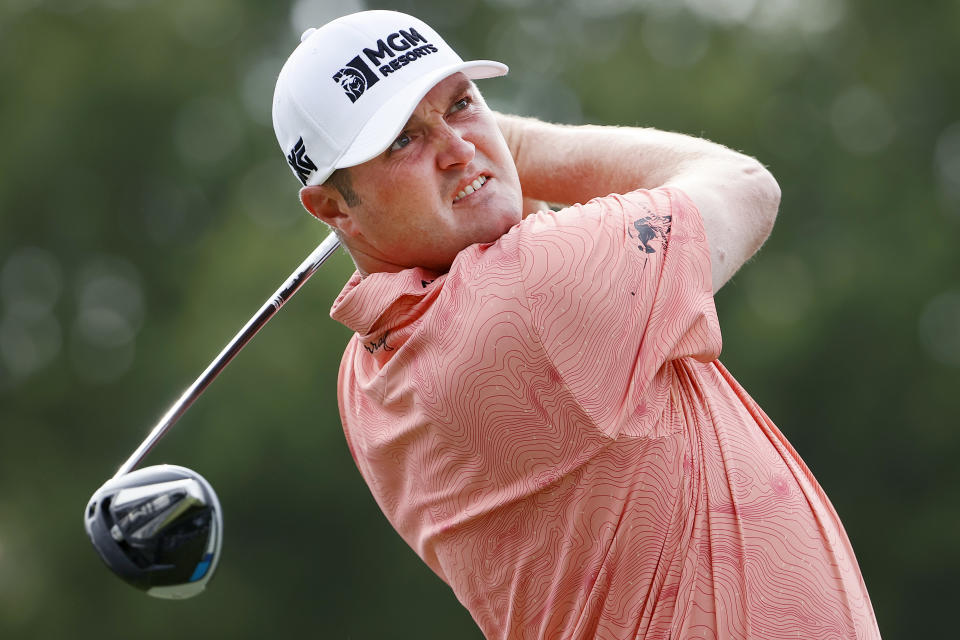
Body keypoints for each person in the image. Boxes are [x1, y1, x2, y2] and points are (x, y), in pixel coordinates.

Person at [272, 10, 881, 639]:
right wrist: (515, 146)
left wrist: (476, 168)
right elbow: (746, 187)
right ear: (331, 207)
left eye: (460, 105)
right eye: (402, 140)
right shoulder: (530, 290)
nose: (456, 148)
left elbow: (514, 232)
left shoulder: (362, 381)